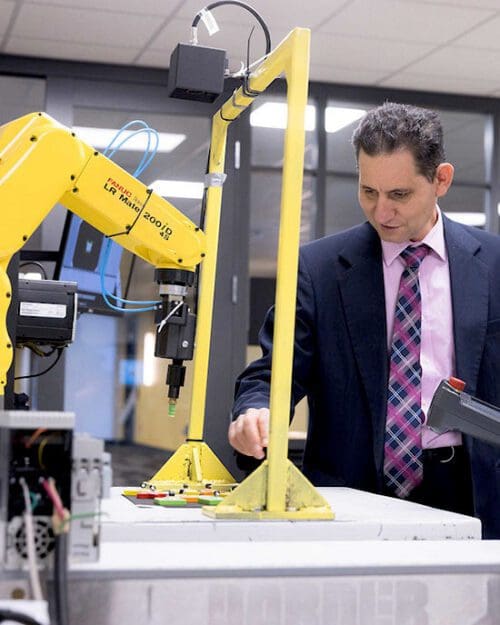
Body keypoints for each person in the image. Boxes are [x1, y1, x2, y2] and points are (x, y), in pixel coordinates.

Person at [229, 102, 500, 539]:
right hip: (352, 491)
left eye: (399, 195)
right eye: (368, 191)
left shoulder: (493, 264)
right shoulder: (319, 270)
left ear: (441, 180)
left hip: (468, 491)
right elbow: (271, 373)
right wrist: (254, 410)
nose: (381, 212)